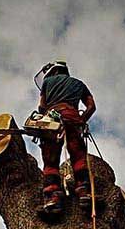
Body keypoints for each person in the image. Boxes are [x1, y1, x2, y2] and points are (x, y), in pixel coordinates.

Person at [35, 60, 96, 214]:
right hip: (72, 115)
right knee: (78, 154)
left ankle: (53, 196)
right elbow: (91, 106)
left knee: (50, 159)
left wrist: (42, 123)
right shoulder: (78, 84)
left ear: (54, 72)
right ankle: (84, 191)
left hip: (52, 118)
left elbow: (42, 107)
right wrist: (82, 120)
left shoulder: (47, 82)